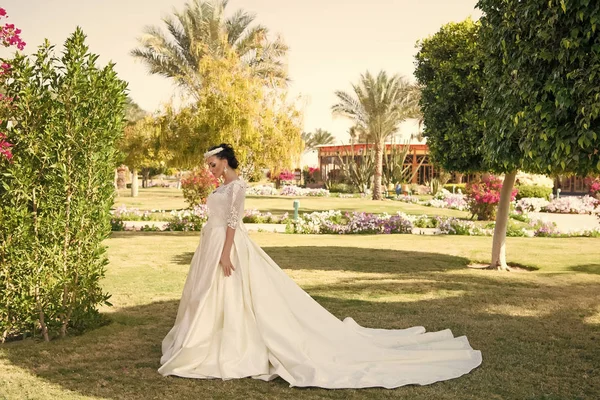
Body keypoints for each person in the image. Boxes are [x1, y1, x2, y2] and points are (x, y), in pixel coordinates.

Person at [158, 143, 482, 389]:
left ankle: (231, 344)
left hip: (226, 245)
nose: (210, 169)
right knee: (209, 295)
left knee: (233, 292)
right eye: (208, 166)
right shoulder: (221, 186)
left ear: (225, 161)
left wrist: (226, 253)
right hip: (210, 243)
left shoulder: (237, 186)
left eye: (212, 164)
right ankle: (207, 339)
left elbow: (232, 222)